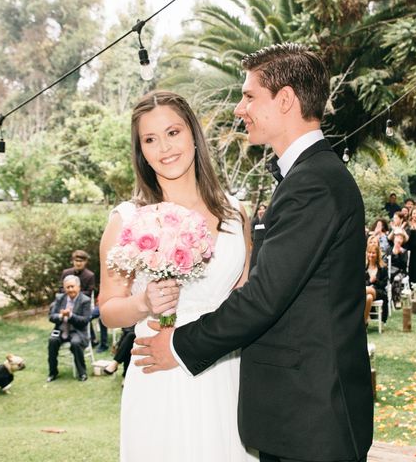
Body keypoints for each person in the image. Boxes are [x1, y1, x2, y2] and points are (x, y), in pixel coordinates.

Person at [131, 44, 373, 462]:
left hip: (312, 416)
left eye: (249, 96)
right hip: (295, 412)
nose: (240, 108)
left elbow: (263, 297)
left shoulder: (313, 183)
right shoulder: (308, 177)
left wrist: (179, 345)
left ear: (285, 100)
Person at [98, 90, 254, 461]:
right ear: (141, 151)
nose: (164, 147)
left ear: (193, 135)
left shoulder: (236, 214)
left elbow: (246, 299)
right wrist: (143, 302)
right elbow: (107, 309)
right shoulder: (127, 220)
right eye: (150, 139)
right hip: (159, 376)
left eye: (173, 132)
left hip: (225, 372)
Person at [47, 275, 91, 382]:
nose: (70, 289)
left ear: (78, 287)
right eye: (67, 287)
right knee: (52, 341)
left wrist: (70, 316)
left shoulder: (85, 300)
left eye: (72, 286)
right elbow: (51, 317)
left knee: (76, 343)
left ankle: (82, 373)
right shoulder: (59, 298)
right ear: (64, 288)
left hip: (77, 331)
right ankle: (53, 372)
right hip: (60, 330)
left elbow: (85, 320)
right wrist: (61, 316)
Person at [60, 250, 106, 352]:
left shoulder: (89, 275)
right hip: (68, 302)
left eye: (81, 261)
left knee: (84, 315)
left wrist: (76, 293)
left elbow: (89, 293)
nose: (78, 263)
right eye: (76, 260)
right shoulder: (66, 273)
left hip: (83, 304)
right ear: (73, 261)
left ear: (85, 262)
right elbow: (61, 289)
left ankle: (87, 338)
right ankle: (64, 335)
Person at [365, 241, 389, 324]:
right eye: (369, 252)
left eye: (373, 253)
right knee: (369, 297)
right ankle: (365, 321)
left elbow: (384, 284)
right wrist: (369, 282)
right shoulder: (363, 268)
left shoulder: (383, 267)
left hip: (380, 292)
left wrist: (375, 281)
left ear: (377, 254)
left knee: (365, 290)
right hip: (367, 294)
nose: (371, 255)